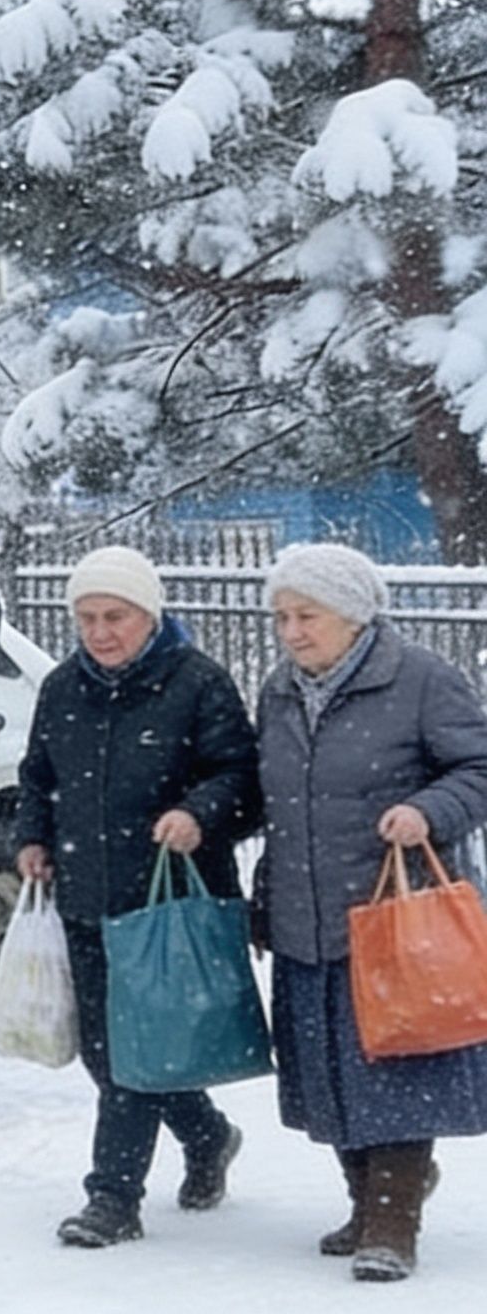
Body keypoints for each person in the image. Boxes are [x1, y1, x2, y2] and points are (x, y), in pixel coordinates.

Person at [13, 545, 259, 1249]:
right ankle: (209, 1135)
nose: (99, 631)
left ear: (148, 615)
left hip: (167, 906)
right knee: (107, 1054)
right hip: (85, 899)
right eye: (86, 617)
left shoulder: (198, 684)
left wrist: (198, 813)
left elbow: (240, 778)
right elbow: (38, 777)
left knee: (132, 1054)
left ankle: (113, 1199)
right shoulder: (63, 687)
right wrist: (32, 836)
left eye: (113, 615)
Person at [255, 543, 487, 1282]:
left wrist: (428, 809)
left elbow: (479, 768)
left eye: (307, 615)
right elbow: (278, 802)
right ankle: (368, 1199)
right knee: (326, 1075)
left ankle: (393, 1220)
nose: (291, 631)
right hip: (305, 909)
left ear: (354, 616)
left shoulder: (420, 680)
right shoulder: (279, 690)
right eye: (282, 616)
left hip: (395, 915)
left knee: (395, 1072)